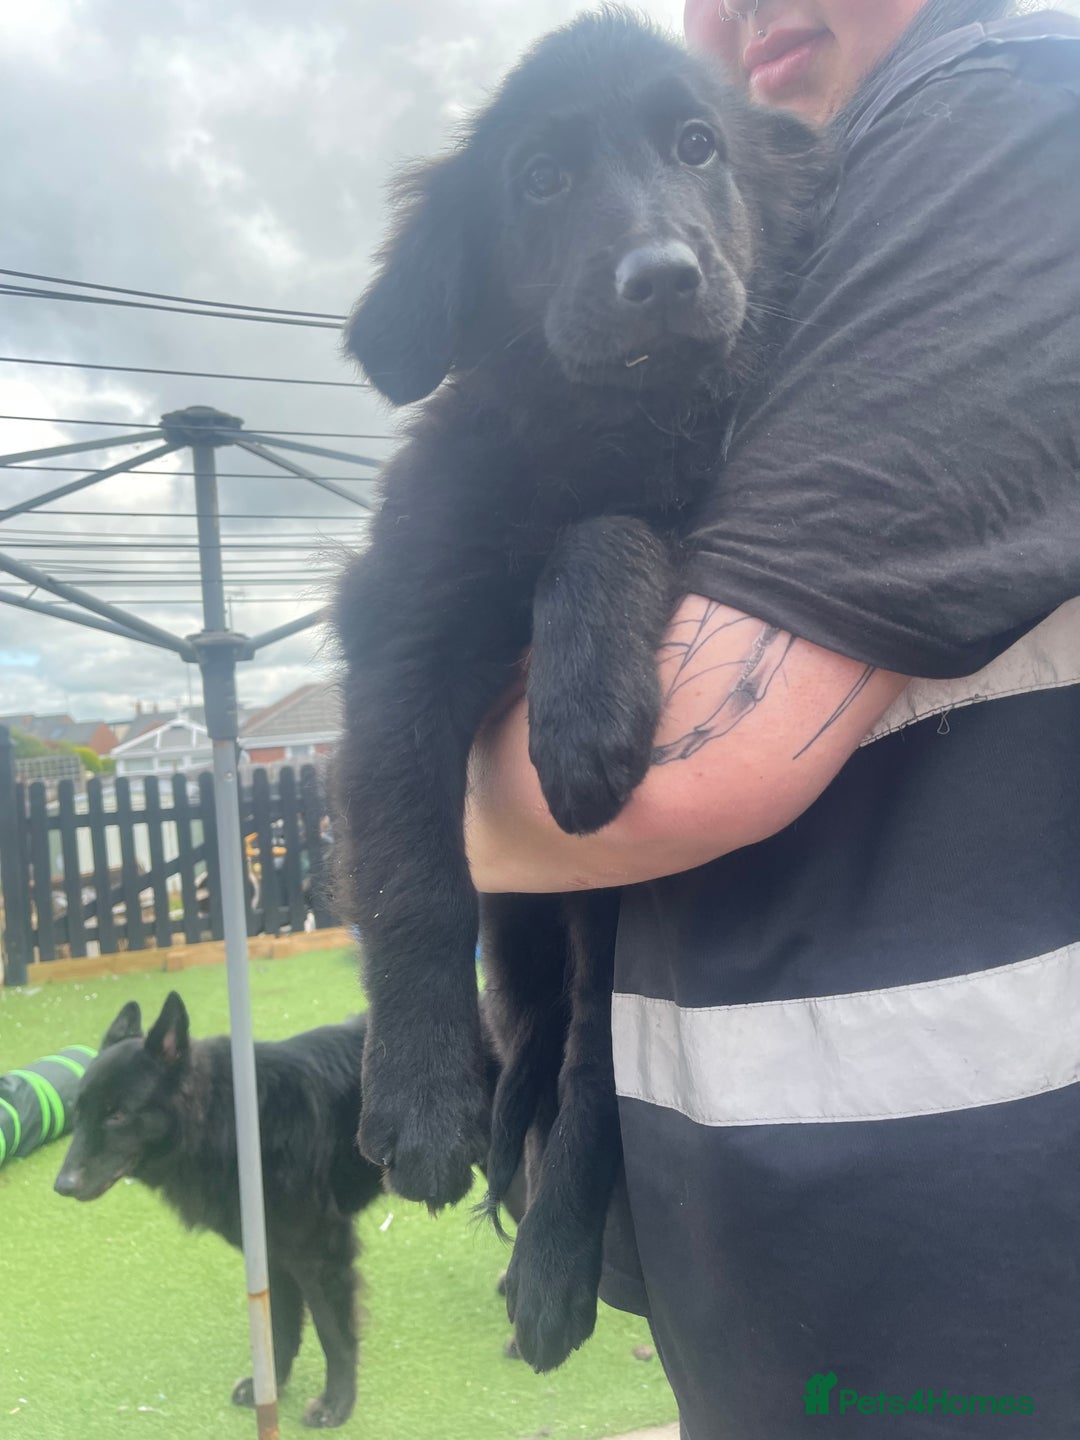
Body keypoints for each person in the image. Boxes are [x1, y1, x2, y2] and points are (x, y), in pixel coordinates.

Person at [465, 0, 1080, 1435]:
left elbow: (669, 771)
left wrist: (391, 797)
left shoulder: (1000, 119)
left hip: (980, 1272)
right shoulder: (797, 246)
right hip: (798, 1265)